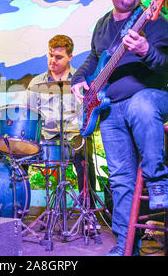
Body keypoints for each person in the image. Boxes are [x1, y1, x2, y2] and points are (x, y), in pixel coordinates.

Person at [71, 0, 168, 256]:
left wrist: (145, 50)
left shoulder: (153, 19)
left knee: (141, 103)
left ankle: (157, 181)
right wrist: (79, 80)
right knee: (119, 179)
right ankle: (125, 245)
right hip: (110, 108)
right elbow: (94, 61)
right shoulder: (102, 25)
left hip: (152, 98)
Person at [27, 34, 96, 208]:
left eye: (58, 57)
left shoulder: (81, 81)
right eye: (50, 55)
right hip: (46, 137)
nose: (53, 60)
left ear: (70, 57)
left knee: (84, 154)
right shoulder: (36, 83)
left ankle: (89, 210)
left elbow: (88, 111)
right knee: (19, 154)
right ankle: (21, 208)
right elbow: (29, 115)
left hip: (73, 134)